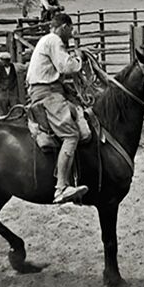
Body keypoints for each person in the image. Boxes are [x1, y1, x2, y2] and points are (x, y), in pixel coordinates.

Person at [26, 13, 89, 204]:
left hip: (47, 90)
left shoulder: (45, 41)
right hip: (48, 93)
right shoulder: (54, 40)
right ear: (63, 27)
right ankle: (61, 188)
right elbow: (65, 66)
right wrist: (78, 58)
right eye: (70, 29)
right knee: (71, 135)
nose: (71, 34)